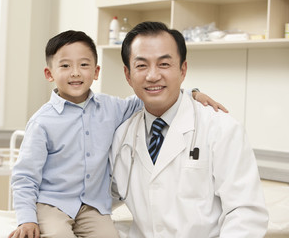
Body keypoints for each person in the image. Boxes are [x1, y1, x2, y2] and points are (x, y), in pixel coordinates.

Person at [8, 30, 227, 238]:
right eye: (65, 66)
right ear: (49, 73)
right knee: (58, 235)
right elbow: (25, 176)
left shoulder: (110, 107)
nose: (75, 72)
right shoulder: (41, 122)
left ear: (96, 72)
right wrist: (27, 219)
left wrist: (192, 93)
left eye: (84, 65)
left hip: (93, 206)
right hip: (52, 204)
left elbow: (148, 95)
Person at [109, 21, 268, 238]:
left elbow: (245, 212)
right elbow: (100, 199)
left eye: (164, 64)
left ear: (183, 70)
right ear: (128, 75)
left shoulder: (220, 128)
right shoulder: (122, 135)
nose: (153, 75)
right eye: (142, 65)